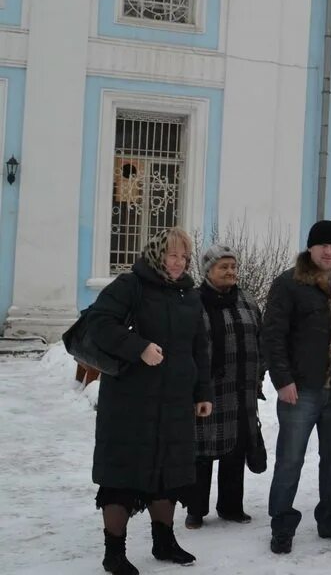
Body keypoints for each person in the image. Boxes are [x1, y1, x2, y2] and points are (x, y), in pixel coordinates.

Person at [89, 227, 212, 574]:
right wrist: (138, 348)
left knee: (169, 473)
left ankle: (164, 541)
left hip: (174, 402)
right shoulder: (131, 285)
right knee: (122, 473)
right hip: (130, 401)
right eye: (172, 255)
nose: (178, 262)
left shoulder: (190, 294)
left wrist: (203, 392)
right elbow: (99, 323)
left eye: (184, 256)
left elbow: (199, 348)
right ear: (158, 254)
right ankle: (114, 552)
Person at [263, 220, 331, 555]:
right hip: (301, 390)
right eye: (322, 245)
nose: (328, 251)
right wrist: (283, 380)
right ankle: (282, 523)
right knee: (290, 460)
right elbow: (273, 335)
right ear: (311, 247)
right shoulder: (289, 284)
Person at [187, 245, 266, 530]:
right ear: (208, 271)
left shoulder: (247, 300)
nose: (231, 271)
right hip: (206, 391)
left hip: (242, 389)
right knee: (201, 452)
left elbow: (261, 338)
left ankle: (231, 507)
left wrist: (260, 375)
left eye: (233, 266)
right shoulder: (193, 302)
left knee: (236, 449)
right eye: (223, 267)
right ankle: (195, 510)